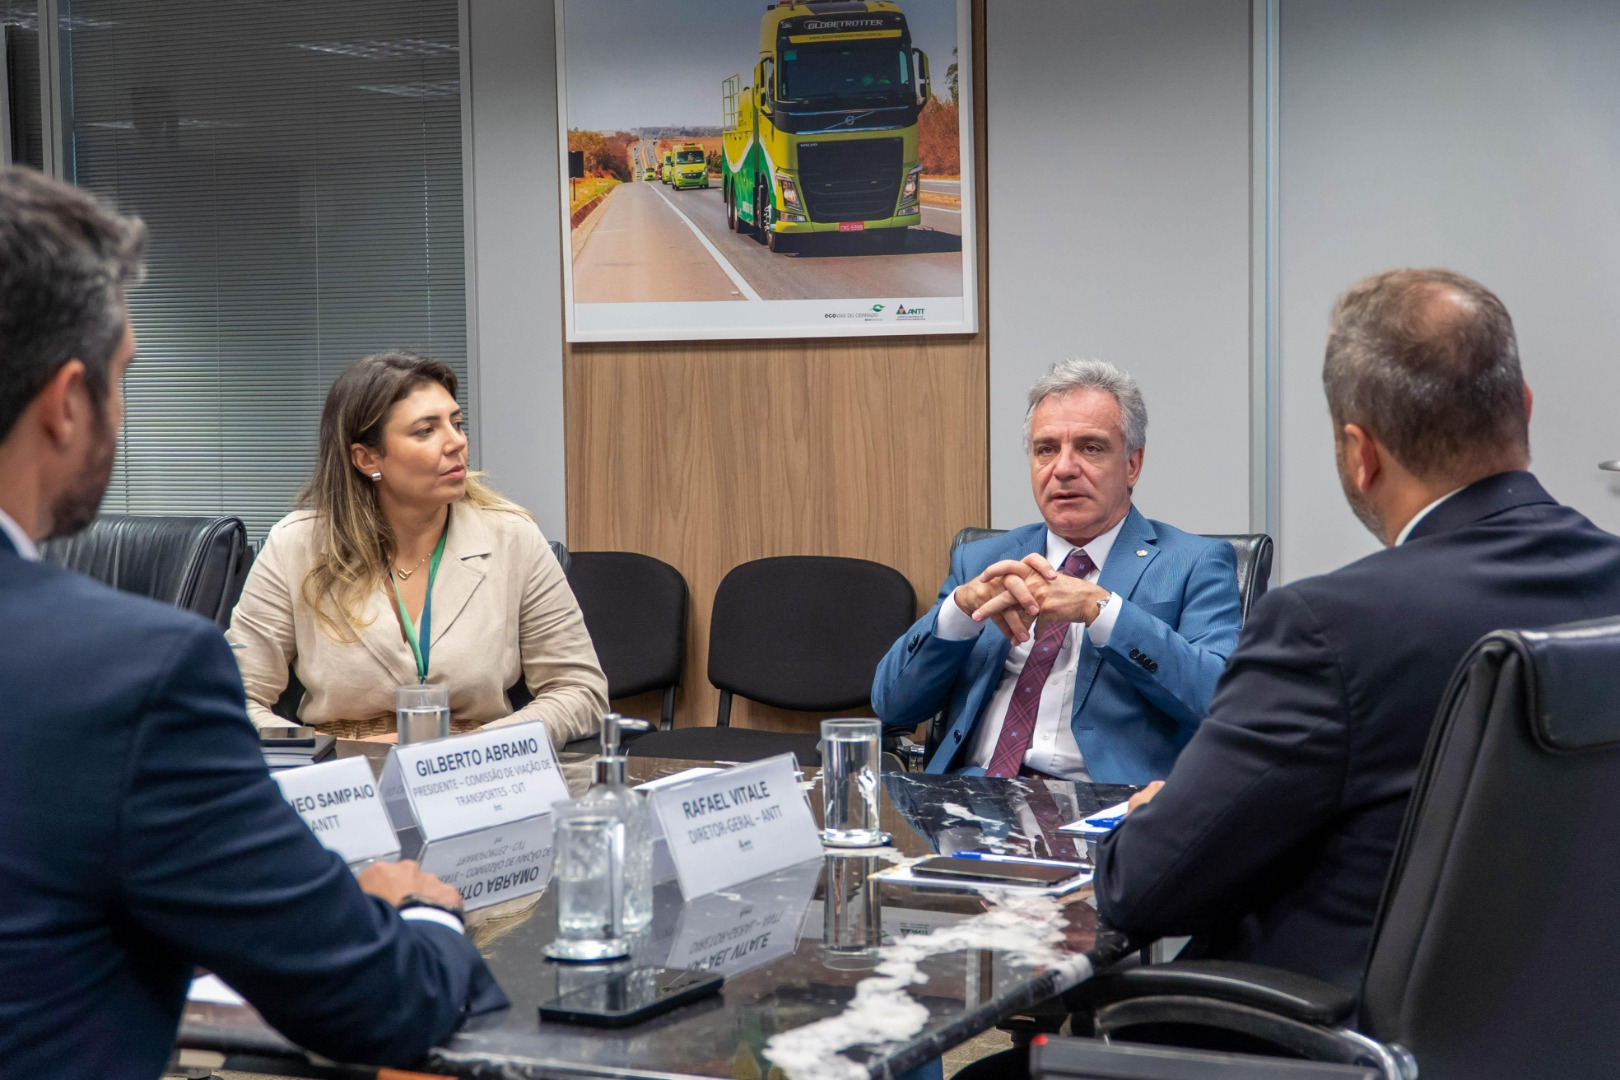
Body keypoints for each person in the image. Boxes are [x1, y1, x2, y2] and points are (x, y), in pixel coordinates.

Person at [0, 166, 506, 1077]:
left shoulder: (505, 535)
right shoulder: (134, 675)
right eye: (124, 378)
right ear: (67, 404)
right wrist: (420, 911)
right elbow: (382, 1001)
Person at [1095, 268, 1620, 993]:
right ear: (1523, 409)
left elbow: (1142, 888)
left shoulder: (1326, 630)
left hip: (1320, 1033)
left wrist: (1155, 817)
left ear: (1360, 453)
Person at [871, 359, 1243, 786]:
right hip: (969, 794)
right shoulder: (982, 560)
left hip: (1102, 801)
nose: (1063, 468)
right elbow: (893, 706)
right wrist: (959, 611)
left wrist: (1102, 610)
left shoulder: (1193, 562)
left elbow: (1221, 703)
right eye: (1046, 449)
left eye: (1090, 448)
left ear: (1132, 464)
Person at [229, 350, 608, 744]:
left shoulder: (513, 538)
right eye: (426, 430)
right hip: (340, 767)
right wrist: (322, 753)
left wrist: (473, 748)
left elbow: (580, 691)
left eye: (456, 424)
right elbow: (232, 698)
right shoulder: (296, 544)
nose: (457, 442)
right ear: (367, 458)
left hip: (480, 765)